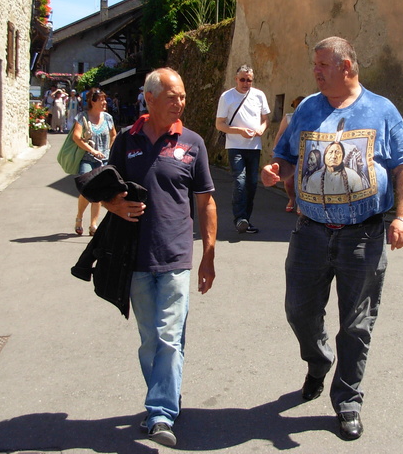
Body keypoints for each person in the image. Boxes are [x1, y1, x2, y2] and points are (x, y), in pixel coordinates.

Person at [261, 36, 403, 442]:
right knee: (299, 310)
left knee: (357, 324)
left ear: (346, 66)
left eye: (322, 65)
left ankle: (348, 400)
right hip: (310, 232)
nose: (315, 72)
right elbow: (285, 156)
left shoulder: (382, 110)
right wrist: (274, 169)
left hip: (363, 235)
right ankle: (317, 361)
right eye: (315, 65)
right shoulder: (308, 109)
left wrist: (402, 216)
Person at [101, 68, 217, 447]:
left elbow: (205, 201)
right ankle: (167, 395)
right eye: (172, 95)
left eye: (182, 96)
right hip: (135, 258)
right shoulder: (127, 141)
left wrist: (208, 254)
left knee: (168, 336)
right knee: (151, 340)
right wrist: (114, 204)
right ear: (149, 99)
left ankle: (160, 413)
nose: (180, 102)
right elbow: (105, 188)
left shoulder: (193, 143)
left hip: (176, 255)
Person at [215, 64, 270, 234]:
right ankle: (239, 219)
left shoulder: (259, 95)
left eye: (249, 80)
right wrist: (239, 131)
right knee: (240, 181)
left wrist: (262, 128)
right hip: (235, 146)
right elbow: (219, 124)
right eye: (243, 80)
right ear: (236, 79)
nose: (246, 83)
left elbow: (265, 119)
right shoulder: (227, 97)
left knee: (252, 184)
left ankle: (246, 219)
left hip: (254, 146)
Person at [72, 88, 117, 236]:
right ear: (93, 101)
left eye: (105, 99)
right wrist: (92, 151)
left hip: (103, 160)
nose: (105, 102)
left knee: (97, 192)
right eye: (102, 99)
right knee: (86, 190)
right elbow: (76, 137)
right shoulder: (82, 117)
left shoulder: (108, 118)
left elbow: (114, 135)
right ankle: (79, 217)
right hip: (87, 159)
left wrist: (108, 151)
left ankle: (93, 225)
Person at [273, 95, 304, 212]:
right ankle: (292, 199)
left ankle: (301, 204)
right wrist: (276, 151)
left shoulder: (311, 119)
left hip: (304, 153)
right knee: (289, 181)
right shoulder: (289, 118)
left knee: (302, 180)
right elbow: (280, 134)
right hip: (290, 153)